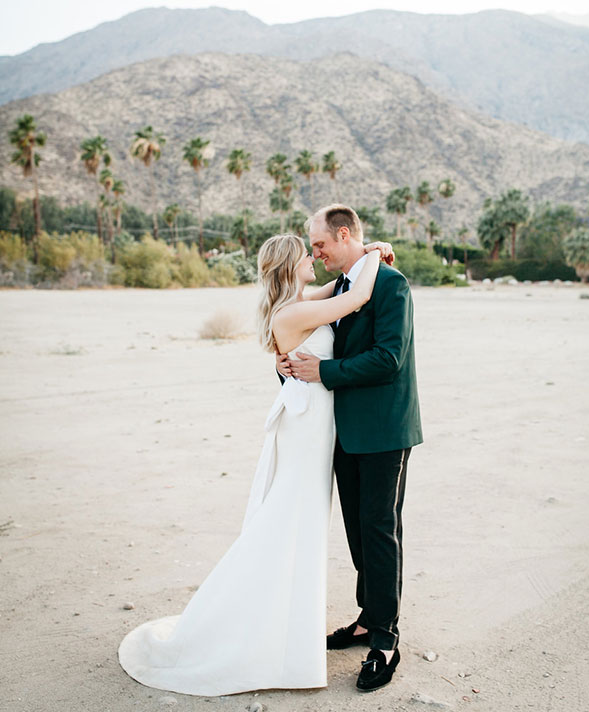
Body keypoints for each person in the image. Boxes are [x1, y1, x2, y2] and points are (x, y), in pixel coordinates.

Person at [118, 233, 391, 697]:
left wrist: (364, 256)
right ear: (289, 265)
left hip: (312, 427)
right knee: (289, 525)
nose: (313, 257)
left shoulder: (299, 301)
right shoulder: (294, 311)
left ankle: (285, 626)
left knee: (295, 525)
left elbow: (339, 290)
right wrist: (373, 251)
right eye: (306, 253)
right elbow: (359, 294)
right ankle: (267, 634)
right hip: (306, 434)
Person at [284, 204, 422, 692]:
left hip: (385, 430)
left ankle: (386, 638)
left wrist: (323, 373)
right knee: (358, 533)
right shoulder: (343, 287)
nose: (316, 253)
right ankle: (368, 617)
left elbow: (389, 358)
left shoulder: (390, 284)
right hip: (343, 432)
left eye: (320, 243)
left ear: (344, 235)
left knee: (380, 530)